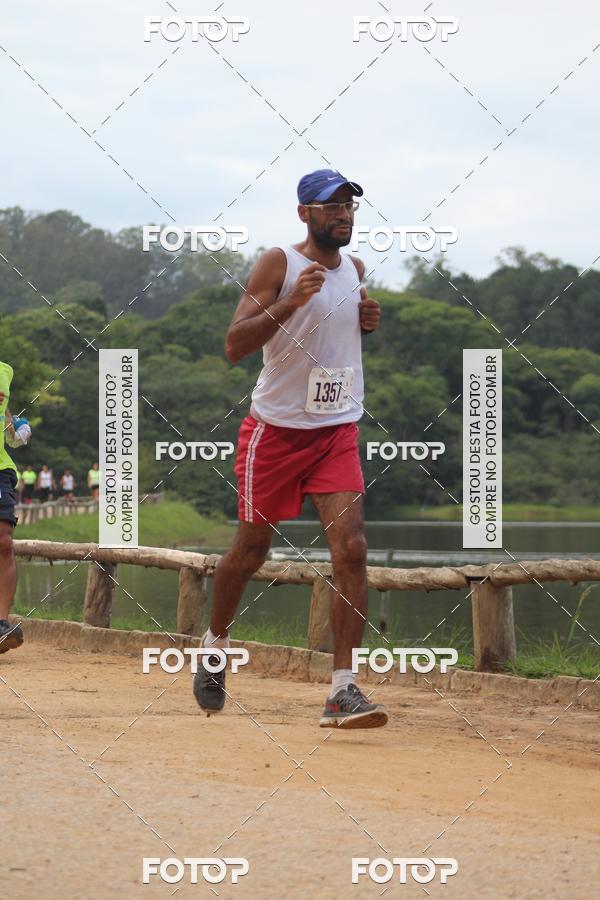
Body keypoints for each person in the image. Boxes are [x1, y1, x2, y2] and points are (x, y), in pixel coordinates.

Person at [193, 169, 386, 728]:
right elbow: (235, 344)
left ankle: (342, 690)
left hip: (336, 430)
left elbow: (333, 337)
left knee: (352, 549)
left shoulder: (355, 270)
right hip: (275, 433)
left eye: (349, 205)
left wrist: (365, 323)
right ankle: (214, 646)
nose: (344, 214)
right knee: (251, 550)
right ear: (305, 213)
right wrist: (292, 302)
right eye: (332, 206)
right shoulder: (279, 263)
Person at [0, 360, 32, 653]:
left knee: (4, 542)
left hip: (1, 469)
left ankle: (1, 624)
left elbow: (5, 413)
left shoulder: (5, 371)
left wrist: (16, 427)